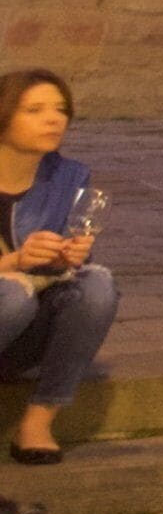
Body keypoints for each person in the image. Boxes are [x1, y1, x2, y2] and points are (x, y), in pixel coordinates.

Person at [0, 70, 115, 462]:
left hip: (22, 332)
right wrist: (15, 261)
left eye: (60, 110)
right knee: (13, 295)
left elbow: (66, 263)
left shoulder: (69, 176)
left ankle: (37, 422)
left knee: (96, 283)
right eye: (34, 110)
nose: (53, 119)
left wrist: (68, 256)